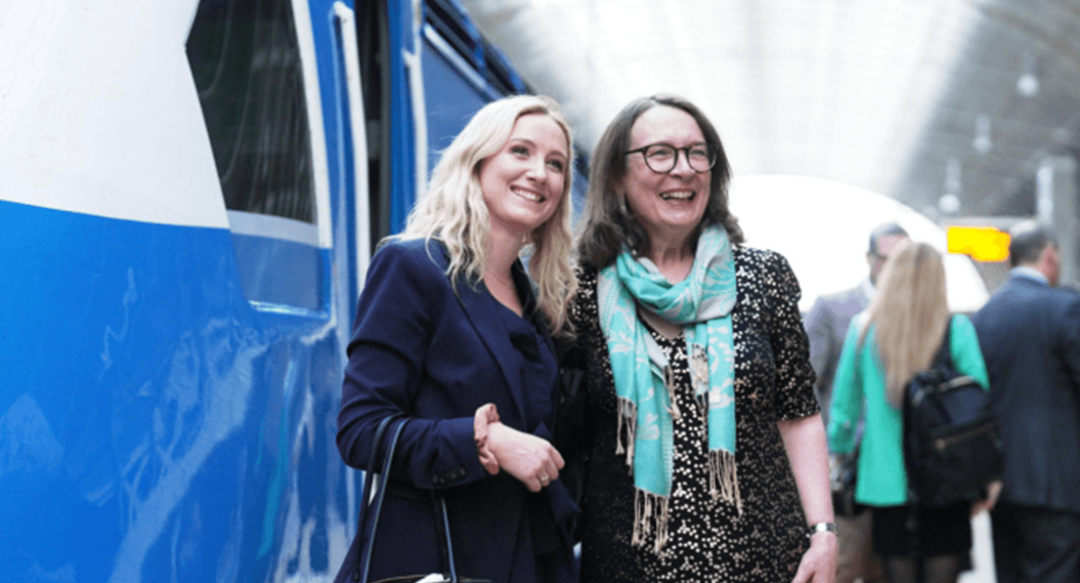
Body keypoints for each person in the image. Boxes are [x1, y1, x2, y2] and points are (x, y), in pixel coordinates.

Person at [570, 94, 837, 582]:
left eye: (698, 153)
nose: (684, 169)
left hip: (766, 560)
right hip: (629, 564)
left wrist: (823, 532)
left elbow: (799, 415)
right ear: (615, 176)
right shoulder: (580, 286)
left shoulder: (763, 276)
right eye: (660, 153)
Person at [334, 95, 579, 583]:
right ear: (477, 161)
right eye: (521, 151)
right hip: (435, 560)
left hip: (528, 560)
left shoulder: (539, 302)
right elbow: (361, 430)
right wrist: (483, 439)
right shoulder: (413, 267)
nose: (540, 173)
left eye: (556, 164)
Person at [827, 241, 991, 583]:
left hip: (885, 480)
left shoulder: (864, 328)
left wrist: (838, 454)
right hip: (947, 478)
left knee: (895, 573)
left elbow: (844, 408)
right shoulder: (955, 329)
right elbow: (980, 401)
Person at [971, 221, 1080, 583]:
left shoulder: (984, 316)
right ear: (1050, 255)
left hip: (1000, 483)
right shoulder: (1064, 308)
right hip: (1059, 482)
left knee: (1010, 574)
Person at [805, 222, 908, 583]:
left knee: (890, 568)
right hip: (848, 465)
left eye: (904, 259)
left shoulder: (919, 315)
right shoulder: (833, 309)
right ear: (870, 259)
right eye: (887, 258)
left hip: (902, 468)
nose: (896, 268)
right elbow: (806, 386)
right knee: (845, 563)